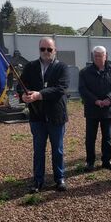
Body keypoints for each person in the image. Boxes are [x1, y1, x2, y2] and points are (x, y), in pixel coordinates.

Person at [19, 37, 69, 193]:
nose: (46, 52)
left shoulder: (62, 67)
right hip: (37, 115)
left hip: (56, 115)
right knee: (38, 150)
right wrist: (23, 95)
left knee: (58, 149)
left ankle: (59, 178)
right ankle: (38, 181)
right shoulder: (30, 66)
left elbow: (61, 88)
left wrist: (39, 95)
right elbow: (21, 85)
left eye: (49, 49)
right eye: (43, 49)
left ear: (55, 50)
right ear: (39, 49)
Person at [79, 46, 111, 172]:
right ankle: (90, 161)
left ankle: (106, 160)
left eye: (101, 55)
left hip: (108, 109)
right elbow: (83, 89)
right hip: (92, 109)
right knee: (90, 138)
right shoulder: (84, 72)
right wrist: (95, 100)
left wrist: (109, 99)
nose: (98, 58)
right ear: (93, 57)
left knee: (107, 137)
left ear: (106, 56)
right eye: (96, 55)